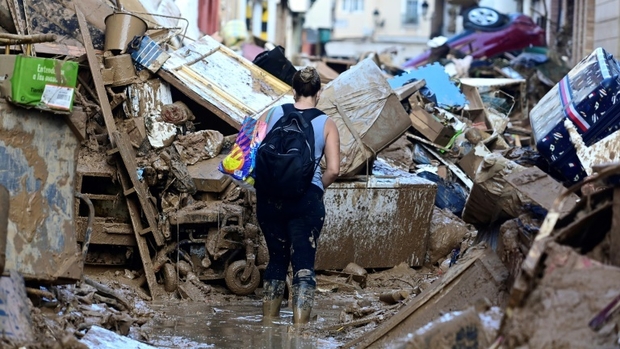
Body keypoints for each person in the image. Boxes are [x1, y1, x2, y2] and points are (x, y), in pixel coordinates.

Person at [256, 66, 340, 325]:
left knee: (276, 261)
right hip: (305, 201)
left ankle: (268, 325)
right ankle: (300, 330)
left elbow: (252, 150)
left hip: (269, 200)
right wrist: (317, 188)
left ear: (294, 90)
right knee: (303, 262)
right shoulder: (326, 123)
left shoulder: (272, 113)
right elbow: (335, 169)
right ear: (319, 91)